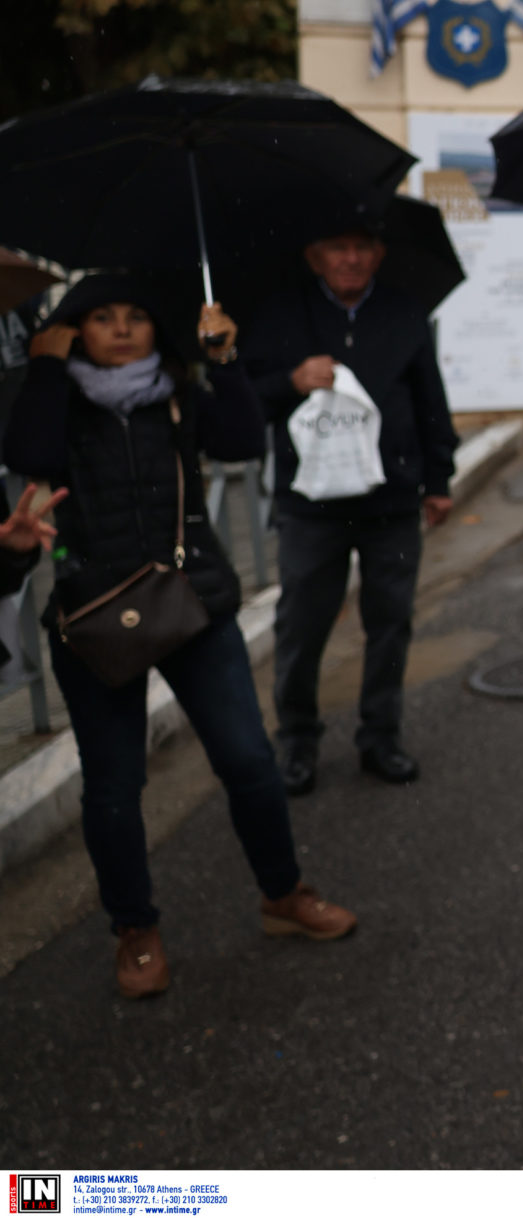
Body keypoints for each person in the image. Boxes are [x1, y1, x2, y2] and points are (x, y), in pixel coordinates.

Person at [2, 274, 357, 999]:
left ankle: (283, 895)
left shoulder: (177, 391)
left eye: (136, 316)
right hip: (94, 611)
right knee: (113, 787)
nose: (123, 328)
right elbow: (31, 454)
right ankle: (136, 931)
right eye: (101, 318)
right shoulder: (57, 399)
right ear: (75, 330)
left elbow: (239, 444)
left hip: (193, 600)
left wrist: (223, 360)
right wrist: (44, 363)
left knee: (250, 761)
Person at [244, 218, 458, 794]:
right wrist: (291, 379)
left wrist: (439, 477)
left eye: (363, 247)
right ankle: (298, 741)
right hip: (310, 505)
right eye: (337, 246)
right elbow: (242, 397)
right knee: (302, 627)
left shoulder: (403, 311)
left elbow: (429, 397)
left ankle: (381, 737)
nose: (351, 258)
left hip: (390, 498)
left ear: (380, 254)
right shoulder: (281, 313)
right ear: (314, 255)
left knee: (390, 623)